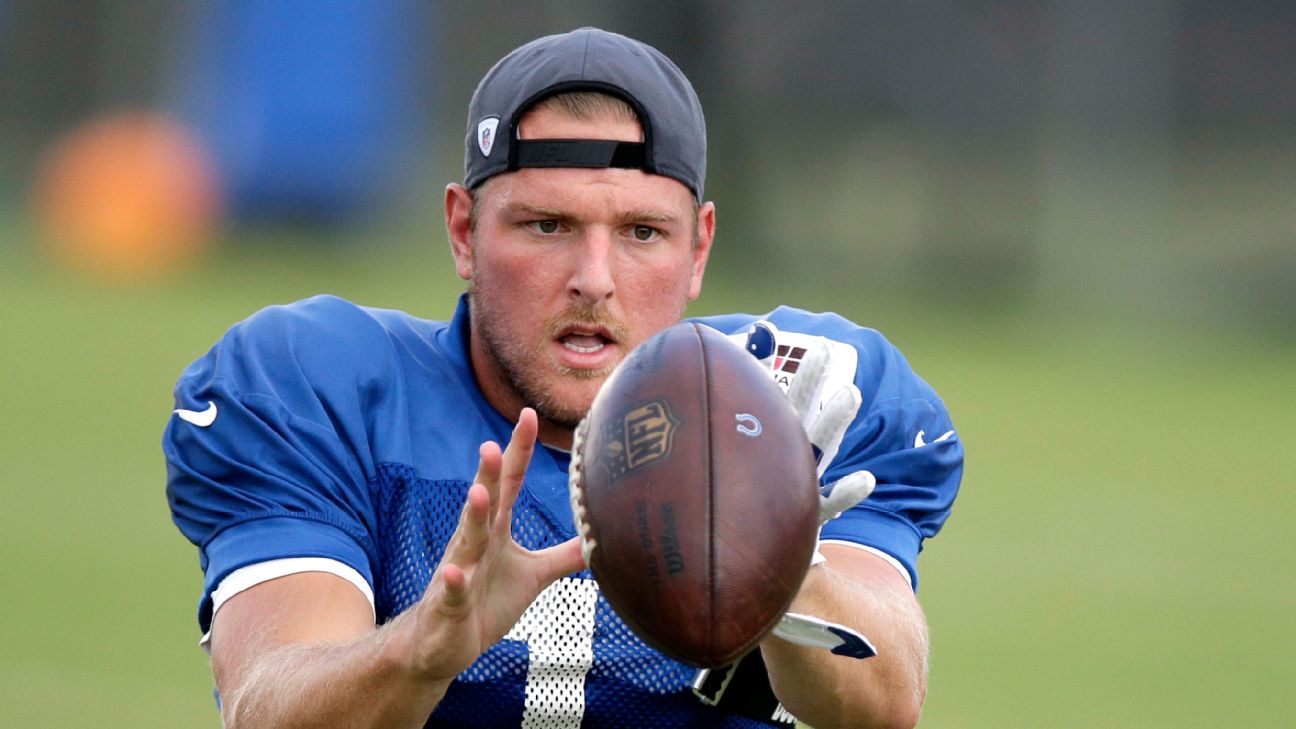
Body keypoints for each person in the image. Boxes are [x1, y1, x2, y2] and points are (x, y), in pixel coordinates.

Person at [164, 27, 962, 729]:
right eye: (547, 225)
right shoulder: (321, 389)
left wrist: (787, 563)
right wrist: (421, 649)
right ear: (464, 232)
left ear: (699, 251)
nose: (595, 278)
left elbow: (885, 704)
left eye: (642, 232)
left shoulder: (795, 395)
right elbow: (268, 703)